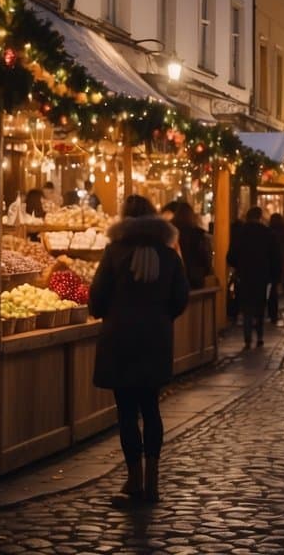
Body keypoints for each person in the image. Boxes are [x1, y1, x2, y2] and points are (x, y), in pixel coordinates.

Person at [90, 195, 189, 504]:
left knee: (127, 413)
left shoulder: (114, 253)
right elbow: (180, 298)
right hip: (155, 341)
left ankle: (133, 480)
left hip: (119, 341)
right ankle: (153, 481)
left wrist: (111, 313)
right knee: (151, 408)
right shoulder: (169, 256)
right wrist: (159, 318)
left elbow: (97, 297)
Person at [226, 207, 280, 349]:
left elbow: (231, 257)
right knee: (260, 306)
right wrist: (275, 277)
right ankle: (260, 336)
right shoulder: (267, 233)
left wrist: (239, 265)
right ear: (260, 217)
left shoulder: (240, 233)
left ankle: (247, 337)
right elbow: (275, 257)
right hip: (262, 276)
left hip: (244, 275)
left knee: (246, 307)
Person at [163, 199, 214, 290]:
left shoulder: (170, 234)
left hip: (175, 280)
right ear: (192, 216)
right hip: (196, 280)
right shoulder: (199, 236)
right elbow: (207, 260)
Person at [267, 213, 284, 317]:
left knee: (271, 286)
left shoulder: (268, 231)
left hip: (272, 259)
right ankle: (274, 312)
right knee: (277, 283)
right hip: (282, 257)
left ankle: (270, 310)